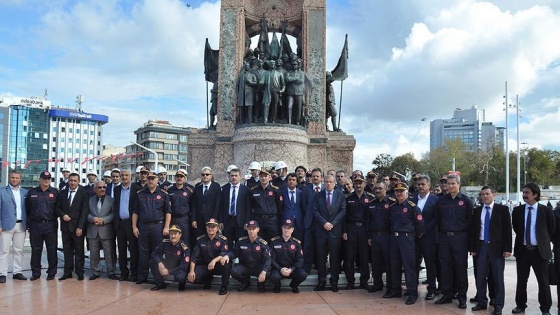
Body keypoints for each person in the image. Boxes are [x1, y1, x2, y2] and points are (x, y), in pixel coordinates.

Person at [511, 183, 555, 315]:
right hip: (523, 251)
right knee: (521, 280)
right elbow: (517, 228)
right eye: (523, 192)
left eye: (527, 193)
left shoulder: (546, 211)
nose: (524, 195)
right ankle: (520, 305)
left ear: (535, 195)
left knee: (543, 282)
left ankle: (545, 308)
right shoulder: (518, 211)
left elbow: (551, 230)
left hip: (539, 252)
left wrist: (541, 242)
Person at [469, 185, 512, 315]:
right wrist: (472, 248)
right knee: (480, 276)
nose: (485, 196)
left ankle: (498, 305)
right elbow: (473, 231)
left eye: (487, 194)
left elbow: (507, 231)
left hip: (497, 248)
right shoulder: (477, 211)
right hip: (481, 246)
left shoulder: (502, 210)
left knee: (498, 278)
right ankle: (482, 301)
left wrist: (507, 248)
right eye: (482, 194)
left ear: (494, 194)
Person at [435, 174, 473, 309]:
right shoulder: (441, 201)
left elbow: (470, 222)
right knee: (445, 268)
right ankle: (447, 294)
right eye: (448, 183)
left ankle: (462, 297)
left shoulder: (466, 201)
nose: (450, 186)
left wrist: (469, 243)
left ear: (459, 185)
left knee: (460, 268)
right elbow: (437, 220)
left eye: (453, 183)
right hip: (445, 238)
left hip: (460, 238)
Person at [384, 183, 425, 305]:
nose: (399, 193)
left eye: (401, 191)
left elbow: (420, 225)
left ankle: (412, 294)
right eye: (397, 191)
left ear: (407, 192)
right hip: (394, 239)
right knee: (394, 266)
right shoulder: (392, 207)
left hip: (407, 240)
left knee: (409, 267)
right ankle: (396, 290)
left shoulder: (412, 206)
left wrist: (414, 238)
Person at [132, 172, 171, 284]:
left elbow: (168, 212)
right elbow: (135, 212)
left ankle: (158, 279)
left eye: (153, 179)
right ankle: (142, 277)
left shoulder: (163, 194)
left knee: (157, 253)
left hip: (158, 226)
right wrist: (134, 227)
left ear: (157, 180)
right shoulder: (140, 194)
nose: (150, 181)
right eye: (149, 179)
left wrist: (166, 227)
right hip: (143, 226)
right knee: (143, 253)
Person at [313, 174, 346, 292]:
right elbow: (315, 211)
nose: (328, 184)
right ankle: (321, 281)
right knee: (321, 258)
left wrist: (332, 223)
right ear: (323, 182)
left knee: (335, 258)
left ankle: (334, 282)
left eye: (330, 182)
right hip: (321, 231)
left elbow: (342, 211)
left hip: (334, 231)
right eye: (326, 181)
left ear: (334, 183)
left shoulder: (341, 196)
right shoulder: (317, 196)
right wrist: (324, 223)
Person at [26, 171, 59, 281]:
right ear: (40, 179)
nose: (46, 180)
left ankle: (51, 272)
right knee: (36, 249)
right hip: (35, 225)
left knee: (52, 249)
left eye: (48, 178)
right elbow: (28, 209)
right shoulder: (32, 192)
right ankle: (36, 273)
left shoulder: (55, 192)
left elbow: (58, 209)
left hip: (50, 225)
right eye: (44, 178)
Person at [56, 172, 88, 281]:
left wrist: (80, 227)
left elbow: (84, 211)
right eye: (71, 180)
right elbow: (57, 208)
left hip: (78, 228)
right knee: (67, 251)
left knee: (79, 251)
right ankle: (67, 272)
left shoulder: (84, 193)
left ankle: (80, 272)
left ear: (78, 181)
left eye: (75, 180)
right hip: (65, 227)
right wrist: (63, 215)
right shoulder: (62, 193)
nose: (73, 182)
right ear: (68, 181)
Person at [412, 174, 439, 300]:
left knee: (430, 264)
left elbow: (436, 219)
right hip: (415, 238)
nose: (420, 186)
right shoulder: (412, 200)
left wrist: (424, 231)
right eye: (419, 184)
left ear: (429, 186)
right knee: (414, 264)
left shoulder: (435, 200)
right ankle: (413, 289)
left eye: (423, 184)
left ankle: (432, 289)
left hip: (429, 238)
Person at [188, 218, 231, 295]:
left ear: (217, 228)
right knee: (193, 279)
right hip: (206, 266)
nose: (211, 229)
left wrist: (214, 260)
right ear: (206, 227)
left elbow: (223, 253)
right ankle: (208, 279)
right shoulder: (200, 240)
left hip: (217, 266)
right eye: (209, 227)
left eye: (213, 227)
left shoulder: (222, 240)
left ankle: (224, 286)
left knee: (226, 263)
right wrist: (191, 271)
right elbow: (194, 257)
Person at [343, 174, 371, 290]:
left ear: (364, 184)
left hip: (364, 230)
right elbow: (344, 217)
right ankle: (350, 281)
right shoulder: (348, 198)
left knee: (364, 257)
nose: (358, 185)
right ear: (353, 184)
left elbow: (371, 217)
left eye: (360, 183)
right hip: (351, 229)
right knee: (349, 256)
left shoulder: (370, 198)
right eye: (356, 183)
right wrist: (344, 231)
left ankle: (364, 281)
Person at [0, 171, 28, 283]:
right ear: (9, 178)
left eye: (17, 178)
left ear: (20, 179)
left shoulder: (25, 192)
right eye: (12, 177)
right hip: (6, 226)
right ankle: (2, 273)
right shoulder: (2, 191)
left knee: (18, 250)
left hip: (21, 225)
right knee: (4, 251)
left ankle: (17, 272)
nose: (14, 180)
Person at [87, 181, 118, 280]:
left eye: (104, 187)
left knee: (109, 253)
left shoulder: (111, 200)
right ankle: (95, 272)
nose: (102, 189)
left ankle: (111, 271)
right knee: (94, 253)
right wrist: (92, 219)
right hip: (93, 230)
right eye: (99, 187)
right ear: (95, 189)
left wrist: (103, 220)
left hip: (106, 230)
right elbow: (85, 212)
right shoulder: (90, 200)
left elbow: (113, 214)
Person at [113, 169, 139, 282]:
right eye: (122, 175)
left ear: (131, 176)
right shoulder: (117, 189)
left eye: (126, 175)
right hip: (120, 224)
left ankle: (134, 274)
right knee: (121, 250)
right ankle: (124, 273)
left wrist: (135, 226)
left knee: (133, 250)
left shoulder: (136, 189)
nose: (124, 177)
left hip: (131, 223)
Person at [231, 220, 271, 292]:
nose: (251, 231)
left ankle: (260, 284)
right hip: (245, 266)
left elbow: (268, 259)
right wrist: (226, 256)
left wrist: (264, 271)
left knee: (267, 273)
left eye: (253, 229)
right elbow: (234, 253)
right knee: (234, 271)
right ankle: (245, 282)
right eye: (249, 229)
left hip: (258, 267)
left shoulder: (263, 243)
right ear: (247, 229)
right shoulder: (241, 241)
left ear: (258, 229)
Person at [270, 219, 308, 293]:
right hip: (278, 270)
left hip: (292, 270)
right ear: (281, 228)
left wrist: (291, 269)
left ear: (292, 230)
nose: (286, 230)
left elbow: (300, 259)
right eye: (284, 228)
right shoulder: (274, 242)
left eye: (289, 228)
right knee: (273, 276)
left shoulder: (297, 243)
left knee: (303, 274)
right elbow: (271, 259)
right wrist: (280, 269)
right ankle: (277, 286)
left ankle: (293, 286)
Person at [366, 180, 392, 294]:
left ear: (386, 189)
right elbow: (368, 221)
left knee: (389, 263)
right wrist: (369, 236)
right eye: (376, 188)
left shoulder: (392, 202)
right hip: (375, 237)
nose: (377, 190)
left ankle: (391, 287)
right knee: (376, 263)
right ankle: (377, 284)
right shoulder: (371, 203)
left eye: (380, 188)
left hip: (387, 237)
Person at [150, 225, 190, 291]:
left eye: (175, 234)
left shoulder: (184, 247)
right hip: (168, 264)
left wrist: (168, 271)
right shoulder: (165, 242)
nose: (173, 236)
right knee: (152, 262)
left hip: (178, 268)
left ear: (180, 235)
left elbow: (183, 266)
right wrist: (160, 263)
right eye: (171, 234)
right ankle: (160, 283)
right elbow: (154, 253)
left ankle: (181, 284)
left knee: (180, 277)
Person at [220, 168, 251, 249]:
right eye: (232, 176)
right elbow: (221, 206)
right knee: (227, 242)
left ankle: (239, 260)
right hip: (227, 221)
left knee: (240, 243)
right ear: (229, 177)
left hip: (240, 221)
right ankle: (228, 260)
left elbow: (248, 207)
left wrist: (247, 221)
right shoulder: (224, 189)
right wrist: (221, 221)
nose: (234, 178)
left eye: (236, 176)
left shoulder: (246, 190)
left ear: (240, 177)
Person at [249, 169, 282, 242]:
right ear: (259, 177)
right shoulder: (254, 190)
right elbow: (251, 205)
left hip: (271, 220)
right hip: (259, 220)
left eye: (265, 176)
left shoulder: (275, 190)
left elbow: (279, 206)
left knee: (273, 241)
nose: (263, 178)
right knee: (260, 242)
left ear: (270, 177)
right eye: (261, 176)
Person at [301, 167, 323, 273]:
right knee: (308, 247)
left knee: (321, 247)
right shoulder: (306, 190)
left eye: (317, 176)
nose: (315, 178)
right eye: (313, 176)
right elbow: (304, 206)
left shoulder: (325, 188)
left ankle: (320, 267)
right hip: (309, 223)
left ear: (321, 178)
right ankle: (307, 269)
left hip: (322, 224)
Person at [191, 167, 221, 239]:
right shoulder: (197, 188)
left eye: (207, 174)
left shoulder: (216, 188)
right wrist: (193, 219)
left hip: (212, 219)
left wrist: (215, 219)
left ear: (211, 176)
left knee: (212, 240)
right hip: (199, 220)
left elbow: (217, 205)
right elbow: (194, 205)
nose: (205, 176)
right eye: (203, 174)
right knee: (199, 240)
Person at [167, 169, 193, 245]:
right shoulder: (169, 190)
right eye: (177, 176)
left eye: (181, 177)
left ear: (184, 178)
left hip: (184, 219)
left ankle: (186, 256)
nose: (179, 178)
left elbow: (192, 206)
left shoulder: (189, 191)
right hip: (172, 219)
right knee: (172, 239)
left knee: (185, 240)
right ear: (175, 178)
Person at [280, 173, 304, 241]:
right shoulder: (282, 193)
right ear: (287, 181)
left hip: (299, 222)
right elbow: (279, 207)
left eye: (293, 180)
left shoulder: (301, 193)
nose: (291, 181)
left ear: (297, 182)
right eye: (290, 179)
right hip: (286, 222)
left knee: (299, 241)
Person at [262, 59, 285, 123]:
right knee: (266, 104)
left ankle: (273, 119)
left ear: (275, 65)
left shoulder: (279, 74)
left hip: (276, 91)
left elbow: (283, 84)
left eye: (273, 63)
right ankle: (265, 119)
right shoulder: (265, 73)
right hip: (268, 90)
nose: (272, 64)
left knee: (275, 105)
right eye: (271, 63)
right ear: (269, 65)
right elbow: (262, 82)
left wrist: (282, 90)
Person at [284, 59, 305, 125]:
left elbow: (301, 81)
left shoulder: (301, 73)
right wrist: (296, 78)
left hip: (299, 92)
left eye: (295, 64)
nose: (294, 66)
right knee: (289, 106)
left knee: (298, 108)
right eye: (292, 64)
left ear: (298, 65)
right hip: (290, 92)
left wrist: (292, 79)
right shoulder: (288, 72)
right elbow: (287, 79)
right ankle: (289, 121)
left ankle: (297, 122)